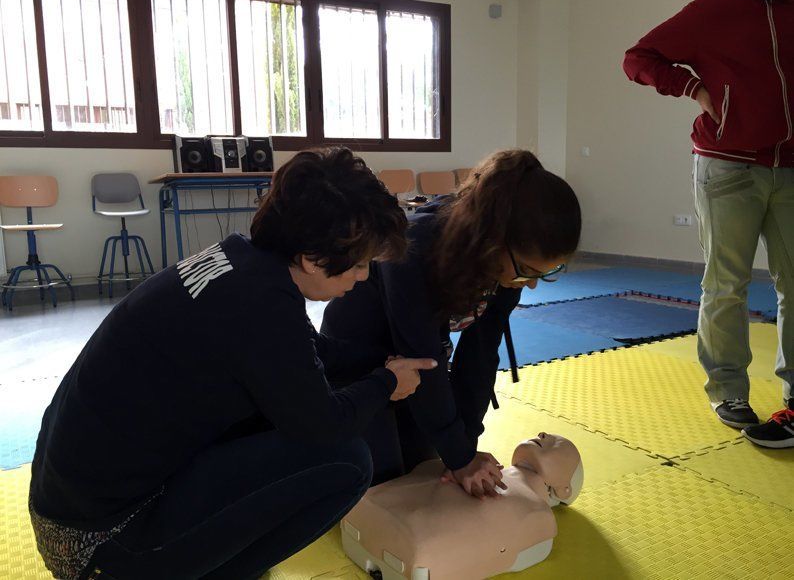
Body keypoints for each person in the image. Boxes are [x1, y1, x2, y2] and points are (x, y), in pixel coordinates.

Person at [28, 147, 439, 580]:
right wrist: (384, 385)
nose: (361, 278)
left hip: (70, 509)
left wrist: (381, 360)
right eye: (357, 266)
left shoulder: (243, 264)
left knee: (275, 411)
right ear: (312, 259)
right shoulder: (258, 305)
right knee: (347, 461)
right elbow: (324, 425)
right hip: (98, 544)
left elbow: (305, 357)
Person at [321, 149, 582, 495]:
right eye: (528, 271)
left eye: (544, 274)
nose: (531, 284)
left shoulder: (507, 271)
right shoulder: (412, 251)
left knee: (427, 472)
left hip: (413, 369)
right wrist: (459, 457)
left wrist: (465, 447)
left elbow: (479, 355)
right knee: (377, 486)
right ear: (493, 242)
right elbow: (423, 358)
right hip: (357, 368)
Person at [623, 0, 794, 448]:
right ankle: (728, 391)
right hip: (727, 163)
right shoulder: (713, 11)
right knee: (726, 282)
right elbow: (638, 58)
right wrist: (692, 87)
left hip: (792, 166)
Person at [341, 433, 584, 579]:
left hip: (405, 538)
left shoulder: (537, 514)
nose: (542, 434)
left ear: (564, 490)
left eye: (556, 443)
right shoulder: (477, 464)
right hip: (393, 521)